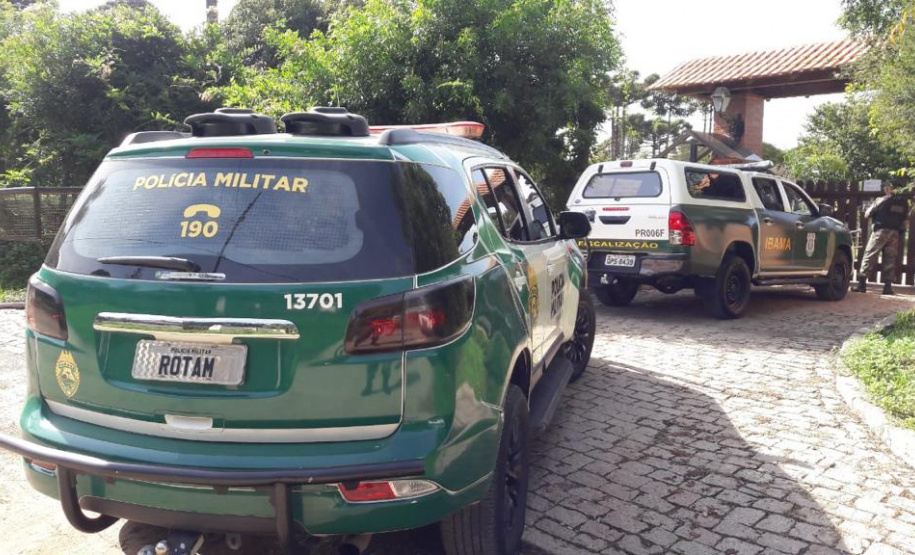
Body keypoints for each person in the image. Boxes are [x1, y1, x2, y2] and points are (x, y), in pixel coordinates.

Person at [854, 184, 911, 295]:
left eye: (886, 187)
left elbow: (867, 214)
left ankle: (861, 285)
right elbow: (906, 220)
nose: (885, 189)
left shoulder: (881, 200)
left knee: (869, 255)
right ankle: (887, 288)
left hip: (880, 231)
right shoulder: (904, 202)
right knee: (890, 259)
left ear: (888, 189)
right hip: (894, 232)